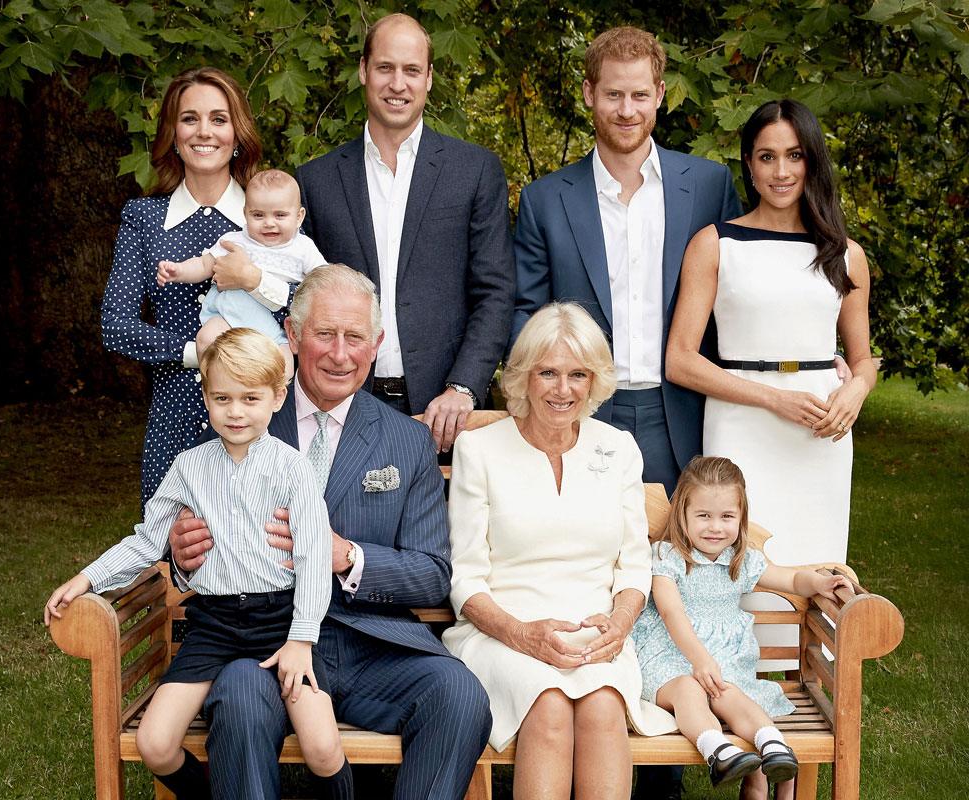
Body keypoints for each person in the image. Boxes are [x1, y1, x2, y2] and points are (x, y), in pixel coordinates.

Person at [169, 264, 492, 800]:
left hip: (372, 644)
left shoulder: (405, 442)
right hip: (262, 644)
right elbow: (187, 545)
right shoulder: (240, 418)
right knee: (241, 699)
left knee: (458, 694)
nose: (340, 354)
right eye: (324, 334)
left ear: (376, 344)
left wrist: (346, 556)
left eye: (355, 337)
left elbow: (433, 575)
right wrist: (184, 556)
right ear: (293, 336)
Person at [44, 328, 352, 800]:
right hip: (215, 626)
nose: (235, 411)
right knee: (155, 743)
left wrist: (301, 638)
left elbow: (312, 559)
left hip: (281, 623)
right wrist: (87, 578)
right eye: (222, 397)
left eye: (251, 397)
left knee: (323, 747)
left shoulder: (294, 470)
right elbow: (147, 541)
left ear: (276, 397)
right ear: (205, 396)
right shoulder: (189, 467)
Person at [442, 302, 677, 800]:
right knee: (547, 701)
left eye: (577, 374)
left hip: (596, 634)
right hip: (501, 633)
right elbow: (464, 579)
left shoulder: (618, 448)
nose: (562, 389)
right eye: (548, 372)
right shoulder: (478, 450)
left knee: (603, 703)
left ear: (594, 381)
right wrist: (522, 635)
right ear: (524, 375)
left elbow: (635, 566)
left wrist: (618, 625)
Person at [512, 26, 742, 497]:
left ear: (659, 94)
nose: (626, 110)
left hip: (685, 410)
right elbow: (525, 312)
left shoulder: (708, 187)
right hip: (582, 411)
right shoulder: (545, 200)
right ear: (589, 93)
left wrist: (813, 361)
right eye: (613, 94)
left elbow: (743, 294)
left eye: (639, 94)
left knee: (689, 561)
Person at [665, 98, 875, 571]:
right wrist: (774, 399)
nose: (781, 171)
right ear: (749, 163)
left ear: (812, 161)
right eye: (767, 156)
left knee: (817, 560)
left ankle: (816, 647)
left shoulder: (846, 256)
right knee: (737, 563)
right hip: (740, 423)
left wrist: (856, 391)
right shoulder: (716, 244)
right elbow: (679, 359)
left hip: (822, 432)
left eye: (795, 155)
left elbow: (862, 360)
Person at [292, 12, 515, 453]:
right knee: (337, 525)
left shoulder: (474, 171)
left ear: (429, 78)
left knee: (441, 525)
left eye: (412, 70)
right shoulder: (315, 181)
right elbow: (301, 296)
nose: (399, 83)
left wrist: (465, 388)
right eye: (385, 68)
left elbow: (495, 290)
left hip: (445, 411)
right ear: (363, 71)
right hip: (341, 404)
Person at [100, 67, 295, 508]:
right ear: (172, 132)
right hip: (177, 413)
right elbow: (115, 325)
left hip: (264, 417)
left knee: (266, 553)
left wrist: (255, 281)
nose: (204, 131)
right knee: (175, 555)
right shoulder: (144, 219)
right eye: (189, 119)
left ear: (237, 133)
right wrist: (200, 353)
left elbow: (307, 313)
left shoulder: (271, 214)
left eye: (218, 119)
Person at [631, 456, 852, 795]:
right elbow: (672, 613)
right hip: (671, 659)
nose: (715, 527)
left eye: (726, 517)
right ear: (683, 516)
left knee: (730, 694)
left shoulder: (741, 559)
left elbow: (791, 578)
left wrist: (819, 583)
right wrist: (700, 660)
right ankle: (717, 750)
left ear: (740, 518)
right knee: (691, 690)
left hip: (724, 667)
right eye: (703, 516)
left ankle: (774, 746)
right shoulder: (668, 557)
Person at [157, 169, 327, 381]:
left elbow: (324, 281)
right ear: (245, 214)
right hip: (228, 318)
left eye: (280, 215)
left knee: (286, 369)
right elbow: (204, 265)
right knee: (206, 339)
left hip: (272, 329)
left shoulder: (303, 248)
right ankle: (218, 389)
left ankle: (266, 406)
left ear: (299, 216)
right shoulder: (234, 240)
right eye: (258, 215)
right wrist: (179, 270)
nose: (269, 223)